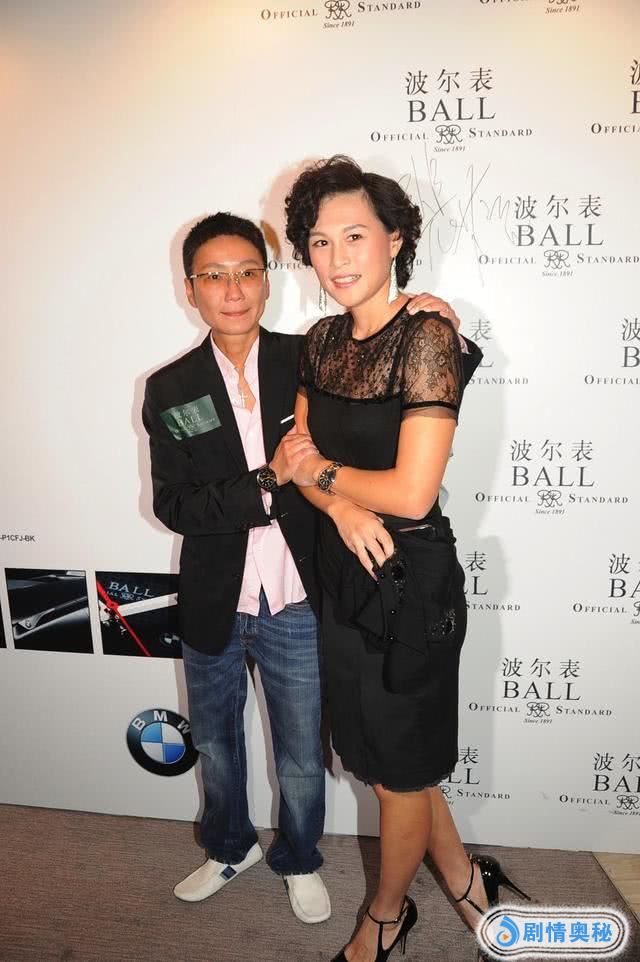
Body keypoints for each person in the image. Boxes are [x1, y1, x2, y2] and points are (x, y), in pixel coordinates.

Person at [141, 211, 468, 926]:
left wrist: (436, 318)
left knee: (299, 750)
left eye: (247, 273)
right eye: (214, 276)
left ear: (268, 281)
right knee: (216, 745)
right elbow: (175, 504)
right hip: (215, 596)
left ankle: (298, 856)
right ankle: (228, 847)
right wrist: (268, 482)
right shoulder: (169, 388)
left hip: (299, 595)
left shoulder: (313, 356)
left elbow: (374, 408)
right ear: (190, 288)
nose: (233, 290)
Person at [285, 156, 528, 962]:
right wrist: (340, 502)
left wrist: (326, 480)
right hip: (341, 567)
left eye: (355, 235)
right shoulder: (321, 340)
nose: (336, 258)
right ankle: (464, 881)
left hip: (406, 583)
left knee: (398, 770)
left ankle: (386, 917)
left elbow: (414, 494)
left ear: (394, 239)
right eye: (320, 241)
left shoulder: (427, 335)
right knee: (395, 763)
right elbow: (294, 458)